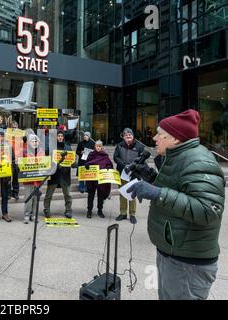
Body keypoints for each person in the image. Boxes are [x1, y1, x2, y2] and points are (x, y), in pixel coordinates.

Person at [126, 110, 225, 300]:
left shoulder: (198, 160)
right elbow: (179, 189)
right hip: (174, 253)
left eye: (159, 134)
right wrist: (150, 177)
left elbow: (209, 210)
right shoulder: (178, 157)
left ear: (176, 140)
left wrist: (158, 193)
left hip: (188, 263)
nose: (154, 138)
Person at [113, 127, 144, 224]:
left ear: (133, 136)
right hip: (122, 172)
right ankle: (123, 213)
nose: (128, 136)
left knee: (132, 194)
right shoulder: (119, 146)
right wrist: (123, 165)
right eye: (126, 135)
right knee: (122, 193)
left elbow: (141, 160)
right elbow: (115, 157)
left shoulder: (139, 146)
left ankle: (132, 214)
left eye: (130, 134)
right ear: (123, 137)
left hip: (133, 173)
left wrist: (132, 166)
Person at [43, 130, 77, 219]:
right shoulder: (52, 148)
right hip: (54, 174)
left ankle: (68, 210)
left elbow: (72, 160)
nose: (60, 137)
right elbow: (48, 159)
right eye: (58, 136)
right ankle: (46, 209)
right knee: (49, 194)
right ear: (56, 137)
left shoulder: (68, 147)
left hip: (65, 175)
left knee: (67, 195)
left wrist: (74, 164)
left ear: (63, 137)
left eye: (61, 136)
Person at [84, 140, 113, 219]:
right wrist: (86, 165)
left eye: (100, 146)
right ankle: (89, 210)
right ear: (95, 146)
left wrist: (108, 167)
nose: (98, 147)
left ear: (102, 147)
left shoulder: (105, 155)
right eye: (97, 146)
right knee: (91, 195)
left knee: (100, 195)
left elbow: (109, 164)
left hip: (101, 179)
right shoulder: (91, 154)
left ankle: (100, 210)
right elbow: (87, 163)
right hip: (92, 179)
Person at [22, 134, 45, 224]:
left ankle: (34, 215)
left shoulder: (41, 151)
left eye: (36, 141)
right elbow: (21, 165)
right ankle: (26, 215)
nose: (34, 143)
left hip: (38, 179)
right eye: (32, 141)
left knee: (36, 198)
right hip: (28, 179)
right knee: (28, 198)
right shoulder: (24, 152)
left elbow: (44, 164)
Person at [8, 121, 21, 200]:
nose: (14, 129)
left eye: (15, 127)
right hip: (9, 160)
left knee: (16, 178)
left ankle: (15, 193)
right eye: (13, 127)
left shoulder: (20, 137)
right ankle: (8, 193)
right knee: (8, 178)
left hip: (17, 160)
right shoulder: (8, 137)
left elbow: (22, 148)